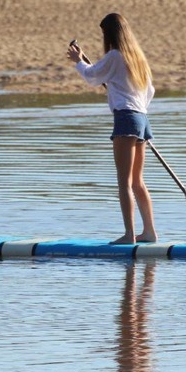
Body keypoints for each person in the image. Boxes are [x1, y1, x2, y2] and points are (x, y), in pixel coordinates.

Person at [67, 13, 158, 245]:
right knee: (138, 181)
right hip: (142, 118)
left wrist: (78, 60)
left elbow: (92, 76)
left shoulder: (115, 56)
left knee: (124, 182)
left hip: (126, 119)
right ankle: (149, 233)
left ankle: (129, 235)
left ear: (109, 34)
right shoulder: (138, 57)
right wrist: (136, 109)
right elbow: (150, 92)